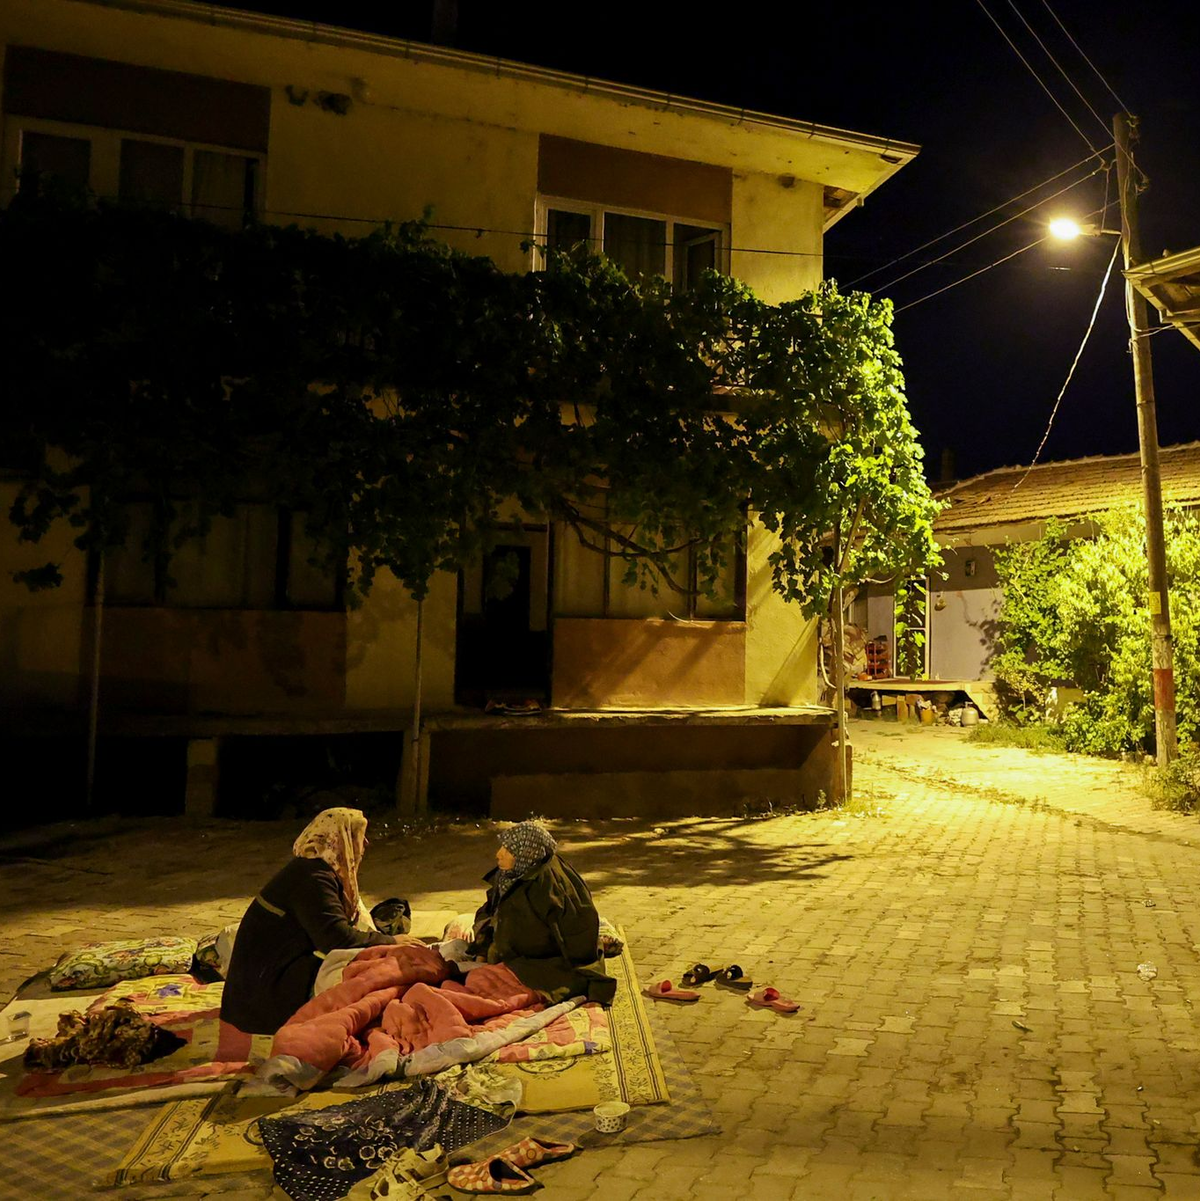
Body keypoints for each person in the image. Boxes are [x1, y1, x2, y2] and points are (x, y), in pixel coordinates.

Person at [221, 807, 419, 1033]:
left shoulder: (316, 871)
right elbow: (338, 939)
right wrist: (392, 942)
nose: (365, 844)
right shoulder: (312, 878)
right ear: (339, 838)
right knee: (374, 974)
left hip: (260, 990)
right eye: (358, 836)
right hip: (262, 1001)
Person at [468, 821, 615, 1005]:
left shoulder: (553, 887)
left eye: (508, 849)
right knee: (474, 979)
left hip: (543, 962)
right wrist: (483, 949)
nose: (499, 854)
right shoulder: (511, 873)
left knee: (486, 990)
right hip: (513, 955)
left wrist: (596, 987)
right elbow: (493, 911)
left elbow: (579, 936)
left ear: (527, 852)